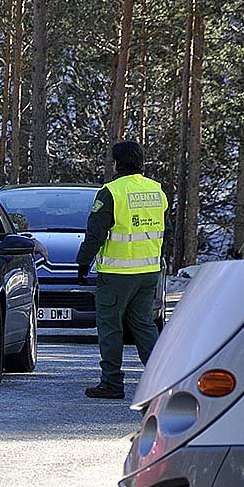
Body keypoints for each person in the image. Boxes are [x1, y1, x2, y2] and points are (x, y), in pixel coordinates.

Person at [76, 140, 166, 399]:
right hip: (148, 271)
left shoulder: (111, 192)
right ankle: (164, 379)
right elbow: (166, 229)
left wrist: (83, 262)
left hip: (117, 274)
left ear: (117, 164)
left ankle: (112, 382)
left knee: (110, 327)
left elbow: (96, 233)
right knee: (144, 325)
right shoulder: (156, 190)